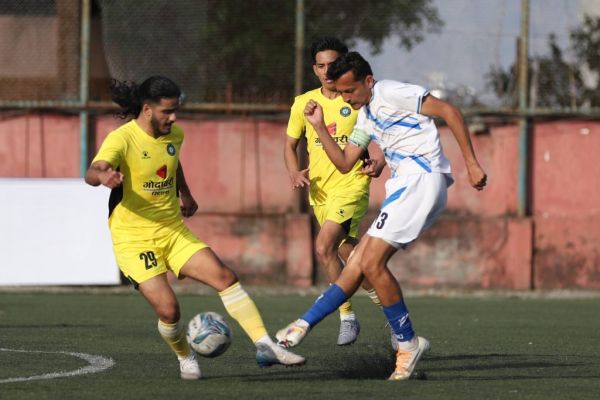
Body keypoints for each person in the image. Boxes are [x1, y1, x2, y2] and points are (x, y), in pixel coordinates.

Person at [276, 52, 487, 380]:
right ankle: (302, 325)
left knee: (371, 263)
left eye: (351, 90)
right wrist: (318, 127)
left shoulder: (390, 91)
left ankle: (406, 343)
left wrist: (471, 163)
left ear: (368, 81)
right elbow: (345, 163)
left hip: (422, 180)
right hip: (402, 187)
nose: (346, 98)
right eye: (341, 93)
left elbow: (448, 111)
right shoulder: (365, 117)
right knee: (358, 262)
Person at [85, 76, 305, 380]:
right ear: (147, 109)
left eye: (176, 110)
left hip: (172, 230)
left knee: (225, 277)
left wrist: (185, 193)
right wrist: (104, 176)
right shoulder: (121, 139)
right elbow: (92, 171)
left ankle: (265, 345)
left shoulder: (174, 134)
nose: (174, 117)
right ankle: (184, 356)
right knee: (169, 311)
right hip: (134, 240)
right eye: (167, 111)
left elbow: (172, 162)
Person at [284, 38, 384, 346]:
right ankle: (392, 311)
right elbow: (290, 145)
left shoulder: (354, 98)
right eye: (321, 65)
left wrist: (379, 160)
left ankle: (346, 316)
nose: (327, 71)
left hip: (352, 184)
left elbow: (381, 133)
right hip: (320, 192)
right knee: (349, 256)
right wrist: (293, 171)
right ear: (314, 69)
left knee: (323, 246)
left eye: (333, 64)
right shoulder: (304, 103)